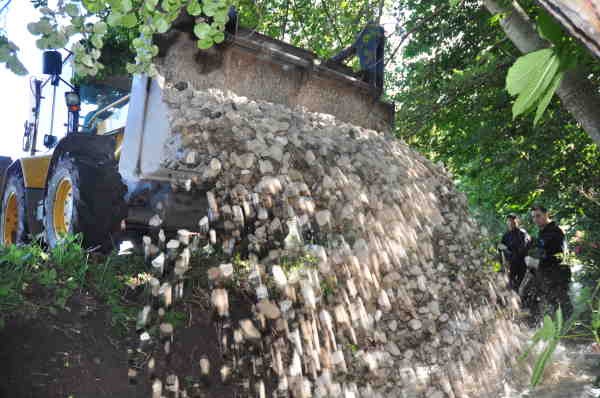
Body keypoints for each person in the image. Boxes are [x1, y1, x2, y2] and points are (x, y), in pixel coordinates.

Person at [524, 205, 573, 321]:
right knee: (552, 309)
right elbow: (542, 252)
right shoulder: (542, 233)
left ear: (547, 214)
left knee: (563, 309)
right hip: (547, 278)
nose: (535, 219)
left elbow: (560, 257)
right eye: (533, 217)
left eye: (538, 216)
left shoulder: (556, 231)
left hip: (558, 277)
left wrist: (538, 262)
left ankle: (574, 335)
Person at [498, 214, 530, 291]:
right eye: (509, 222)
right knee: (510, 285)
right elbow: (500, 248)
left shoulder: (522, 233)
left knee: (521, 286)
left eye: (513, 222)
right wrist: (504, 262)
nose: (511, 224)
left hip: (522, 264)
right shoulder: (506, 235)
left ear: (517, 222)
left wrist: (509, 253)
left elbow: (523, 249)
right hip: (510, 265)